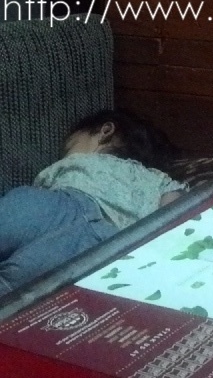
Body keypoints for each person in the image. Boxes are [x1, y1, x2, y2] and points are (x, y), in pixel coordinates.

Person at [0, 109, 188, 295]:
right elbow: (176, 210)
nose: (64, 153)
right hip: (100, 244)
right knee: (22, 295)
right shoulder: (158, 180)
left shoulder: (154, 176)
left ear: (105, 131)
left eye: (69, 145)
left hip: (63, 215)